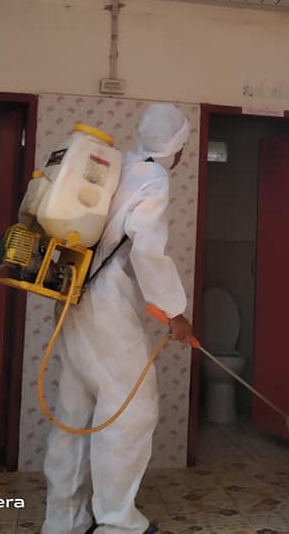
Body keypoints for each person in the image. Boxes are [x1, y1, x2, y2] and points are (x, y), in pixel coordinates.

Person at [42, 103, 195, 534]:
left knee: (74, 410)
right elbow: (147, 250)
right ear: (177, 146)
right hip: (104, 303)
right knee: (132, 409)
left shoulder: (116, 165)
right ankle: (117, 524)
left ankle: (63, 521)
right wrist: (175, 312)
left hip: (71, 293)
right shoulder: (153, 178)